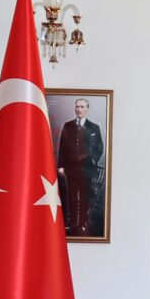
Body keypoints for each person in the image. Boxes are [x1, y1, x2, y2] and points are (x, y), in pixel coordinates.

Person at [57, 97, 104, 236]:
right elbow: (62, 146)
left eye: (82, 107)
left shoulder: (94, 127)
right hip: (71, 168)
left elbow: (99, 147)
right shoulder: (68, 126)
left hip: (87, 169)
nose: (79, 109)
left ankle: (82, 223)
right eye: (77, 107)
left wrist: (93, 160)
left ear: (87, 109)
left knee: (84, 196)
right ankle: (73, 224)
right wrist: (61, 165)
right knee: (71, 196)